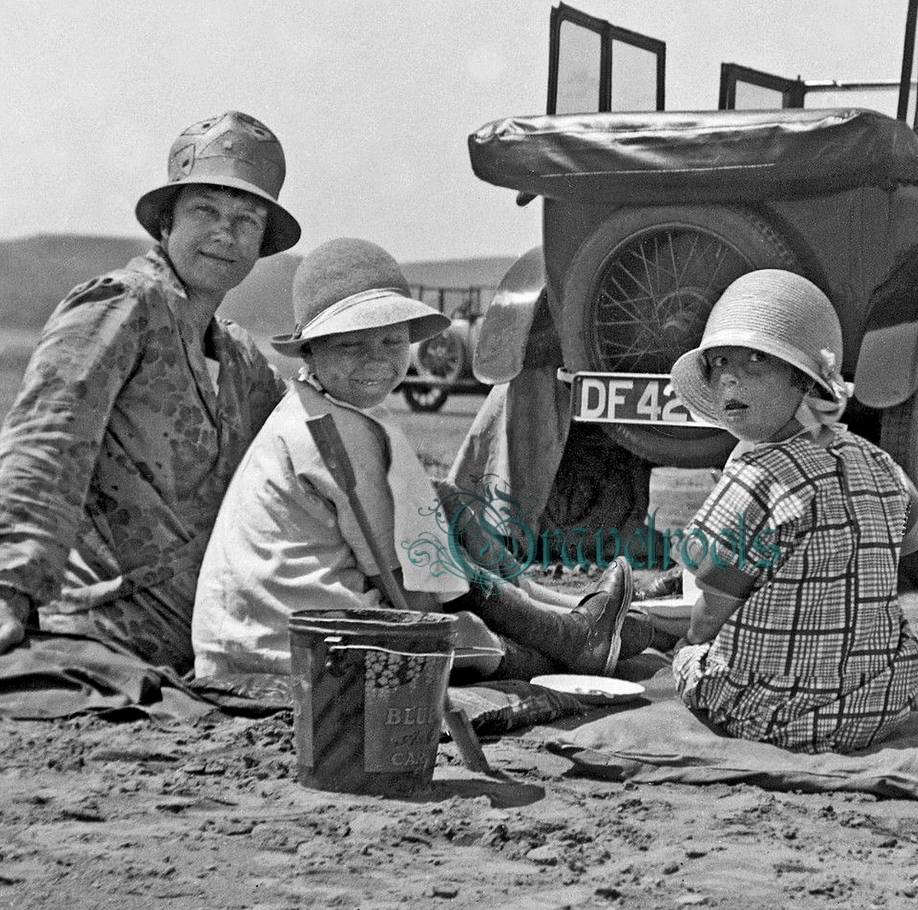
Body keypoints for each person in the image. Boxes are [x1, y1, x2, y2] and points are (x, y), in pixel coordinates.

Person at [0, 111, 299, 673]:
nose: (225, 233)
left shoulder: (241, 361)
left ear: (262, 244)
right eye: (205, 211)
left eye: (247, 220)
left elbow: (308, 447)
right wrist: (3, 594)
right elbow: (46, 441)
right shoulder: (122, 305)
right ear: (165, 224)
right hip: (101, 636)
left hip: (203, 642)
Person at [190, 237, 638, 681]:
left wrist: (450, 518)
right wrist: (471, 614)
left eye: (391, 341)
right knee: (472, 636)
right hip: (289, 652)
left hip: (256, 637)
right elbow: (410, 590)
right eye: (351, 346)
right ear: (310, 350)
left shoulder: (321, 407)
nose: (377, 360)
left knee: (442, 516)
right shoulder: (332, 436)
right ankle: (573, 638)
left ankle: (578, 623)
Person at [666, 269, 918, 753]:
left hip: (774, 716)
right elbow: (914, 540)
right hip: (875, 707)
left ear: (802, 382)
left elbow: (705, 621)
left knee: (688, 653)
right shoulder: (876, 461)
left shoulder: (755, 477)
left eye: (755, 362)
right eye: (720, 362)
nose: (729, 376)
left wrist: (689, 645)